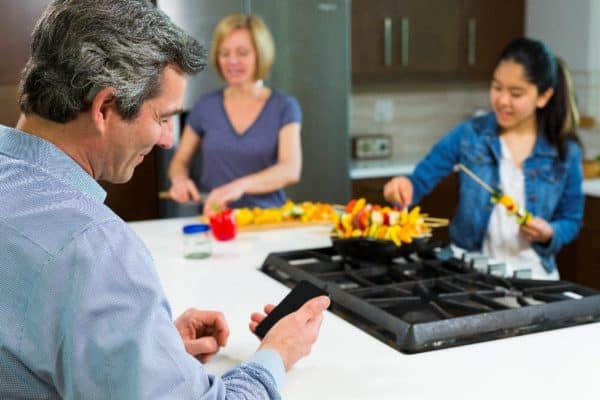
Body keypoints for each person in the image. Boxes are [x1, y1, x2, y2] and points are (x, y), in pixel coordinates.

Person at [0, 1, 329, 399]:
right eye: (161, 118)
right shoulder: (95, 249)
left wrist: (141, 350)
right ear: (104, 107)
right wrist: (277, 353)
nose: (167, 140)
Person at [383, 37, 584, 279]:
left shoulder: (565, 151)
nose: (502, 100)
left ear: (543, 96)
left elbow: (571, 220)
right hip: (470, 275)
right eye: (497, 87)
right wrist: (403, 187)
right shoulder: (469, 135)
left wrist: (550, 232)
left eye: (516, 93)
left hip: (535, 278)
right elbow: (418, 181)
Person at [167, 13, 302, 217]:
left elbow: (290, 169)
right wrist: (179, 180)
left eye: (242, 53)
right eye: (225, 53)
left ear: (260, 54)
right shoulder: (205, 106)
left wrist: (239, 186)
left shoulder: (284, 106)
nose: (232, 61)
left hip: (268, 221)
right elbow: (179, 162)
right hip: (215, 220)